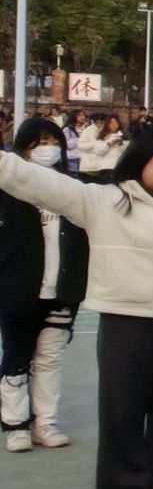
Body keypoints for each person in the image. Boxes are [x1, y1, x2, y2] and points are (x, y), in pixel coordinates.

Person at [0, 126, 153, 489]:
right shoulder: (102, 200)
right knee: (122, 406)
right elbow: (33, 181)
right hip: (126, 318)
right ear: (139, 160)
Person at [0, 119, 88, 452]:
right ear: (22, 148)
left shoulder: (71, 190)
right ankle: (15, 424)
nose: (47, 149)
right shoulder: (8, 192)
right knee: (16, 359)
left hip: (61, 293)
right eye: (38, 143)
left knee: (49, 360)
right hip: (18, 291)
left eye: (53, 142)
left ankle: (45, 422)